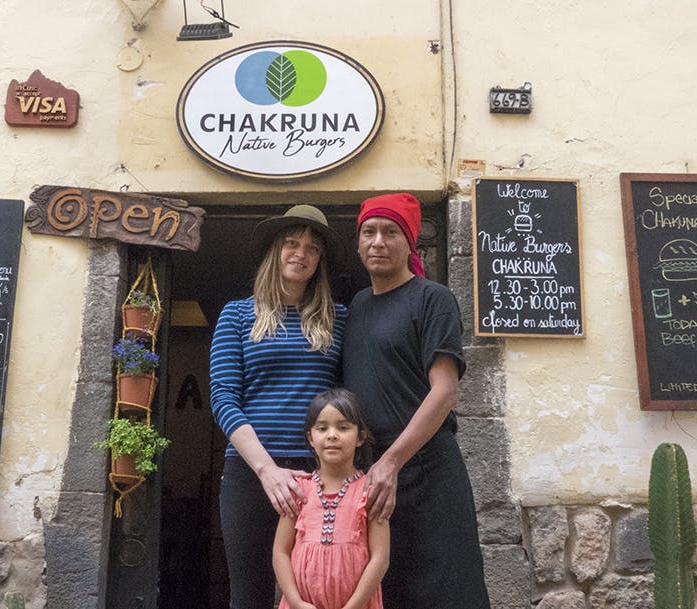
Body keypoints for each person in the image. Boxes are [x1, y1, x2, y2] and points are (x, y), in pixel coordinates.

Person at [341, 193, 492, 609]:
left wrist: (391, 461)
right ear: (357, 244)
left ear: (410, 243)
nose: (378, 242)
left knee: (448, 590)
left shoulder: (433, 299)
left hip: (426, 470)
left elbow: (445, 391)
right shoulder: (355, 307)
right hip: (372, 474)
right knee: (387, 590)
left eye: (391, 232)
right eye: (368, 232)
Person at [210, 204, 347, 609]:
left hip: (318, 474)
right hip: (250, 473)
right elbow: (222, 398)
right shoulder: (236, 315)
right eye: (291, 243)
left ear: (319, 261)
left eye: (311, 248)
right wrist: (266, 469)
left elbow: (349, 399)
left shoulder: (339, 319)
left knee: (315, 590)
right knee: (249, 593)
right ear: (276, 251)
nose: (300, 253)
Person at [273, 388, 389, 609]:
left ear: (360, 437)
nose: (332, 435)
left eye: (343, 427)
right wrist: (296, 603)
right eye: (322, 428)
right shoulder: (298, 491)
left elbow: (380, 558)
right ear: (311, 438)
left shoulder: (371, 490)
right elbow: (280, 551)